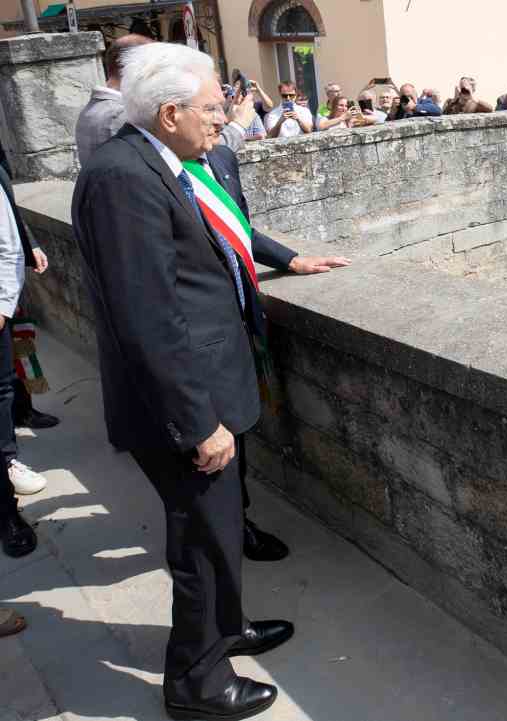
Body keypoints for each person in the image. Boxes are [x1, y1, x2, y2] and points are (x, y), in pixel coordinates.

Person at [71, 43, 292, 720]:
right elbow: (147, 316)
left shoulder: (157, 161)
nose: (223, 119)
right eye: (210, 109)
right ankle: (197, 682)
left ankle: (225, 632)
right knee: (200, 541)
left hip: (204, 388)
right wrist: (198, 420)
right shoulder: (122, 177)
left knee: (219, 531)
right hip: (183, 406)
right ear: (169, 113)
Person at [203, 106, 351, 562]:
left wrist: (288, 259)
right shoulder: (154, 174)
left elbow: (238, 230)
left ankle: (234, 522)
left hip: (238, 323)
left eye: (220, 108)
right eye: (210, 108)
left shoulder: (222, 160)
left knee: (235, 438)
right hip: (200, 337)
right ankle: (225, 540)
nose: (223, 120)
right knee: (210, 449)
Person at [77, 34, 255, 158]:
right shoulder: (121, 115)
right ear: (134, 68)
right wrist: (239, 125)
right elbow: (194, 149)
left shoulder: (93, 109)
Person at [0, 152, 49, 557]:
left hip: (5, 290)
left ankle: (26, 407)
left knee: (22, 351)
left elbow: (7, 203)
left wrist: (29, 242)